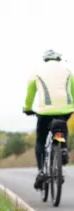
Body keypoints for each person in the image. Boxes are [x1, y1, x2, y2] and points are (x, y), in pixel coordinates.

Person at [23, 49, 74, 190]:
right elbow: (73, 90)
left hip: (45, 111)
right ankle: (63, 148)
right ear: (58, 59)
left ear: (45, 59)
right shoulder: (68, 71)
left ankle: (41, 171)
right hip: (65, 109)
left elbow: (30, 92)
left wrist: (27, 108)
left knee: (41, 139)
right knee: (62, 127)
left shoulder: (37, 72)